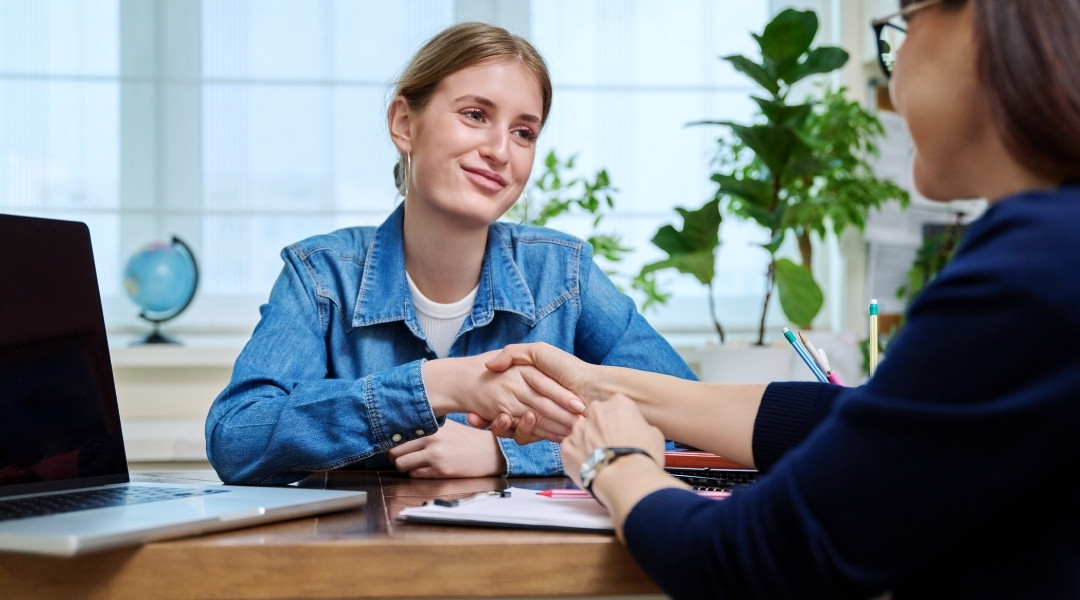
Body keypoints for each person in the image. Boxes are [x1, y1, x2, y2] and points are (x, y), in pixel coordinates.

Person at [480, 1, 1080, 597]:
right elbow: (864, 421)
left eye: (902, 27)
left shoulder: (1034, 267)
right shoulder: (1053, 252)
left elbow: (750, 559)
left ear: (980, 23)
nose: (894, 71)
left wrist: (613, 465)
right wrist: (604, 387)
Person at [204, 22, 695, 486]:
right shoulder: (322, 277)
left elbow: (691, 424)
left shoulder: (564, 274)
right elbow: (237, 439)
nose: (501, 151)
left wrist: (506, 456)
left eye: (524, 132)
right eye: (475, 115)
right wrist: (439, 384)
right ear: (404, 124)